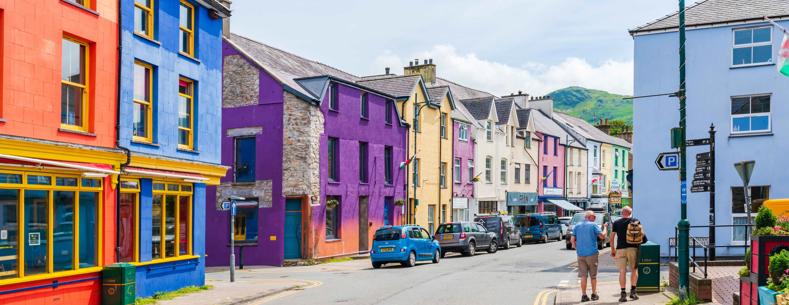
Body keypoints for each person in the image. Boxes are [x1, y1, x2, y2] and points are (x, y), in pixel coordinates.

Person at [611, 206, 647, 302]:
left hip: (620, 249)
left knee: (622, 271)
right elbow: (644, 238)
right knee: (634, 270)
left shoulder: (616, 222)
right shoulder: (636, 221)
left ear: (622, 213)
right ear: (631, 213)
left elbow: (612, 237)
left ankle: (623, 294)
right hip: (633, 249)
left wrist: (613, 249)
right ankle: (633, 292)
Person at [571, 210, 608, 302]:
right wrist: (605, 228)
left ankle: (584, 295)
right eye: (594, 217)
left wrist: (577, 248)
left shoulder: (577, 226)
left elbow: (572, 240)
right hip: (592, 254)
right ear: (589, 217)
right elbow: (602, 236)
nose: (595, 218)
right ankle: (594, 294)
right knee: (593, 276)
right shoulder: (593, 225)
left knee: (583, 276)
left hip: (580, 255)